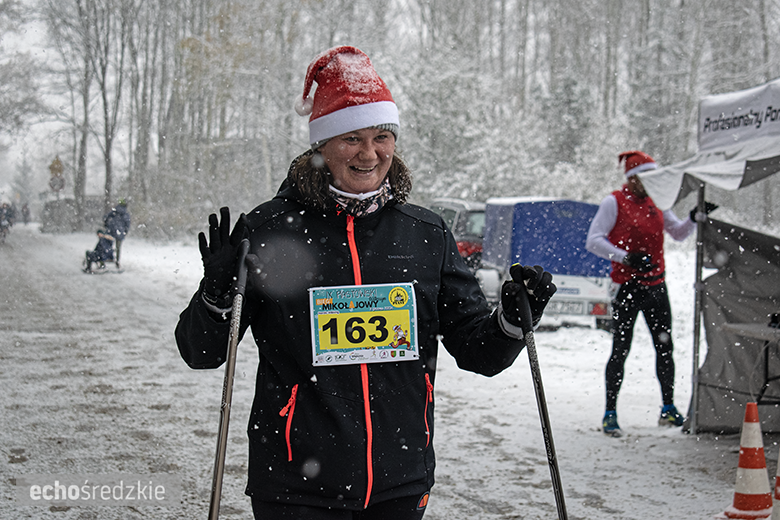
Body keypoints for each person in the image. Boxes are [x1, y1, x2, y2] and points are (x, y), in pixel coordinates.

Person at [175, 46, 557, 520]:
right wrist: (214, 297)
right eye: (351, 138)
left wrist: (511, 320)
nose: (369, 153)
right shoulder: (269, 231)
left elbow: (478, 352)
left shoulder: (425, 233)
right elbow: (203, 353)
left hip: (399, 480)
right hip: (296, 482)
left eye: (381, 136)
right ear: (321, 146)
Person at [585, 150, 717, 437]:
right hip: (628, 287)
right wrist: (625, 257)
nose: (651, 184)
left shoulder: (658, 202)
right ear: (633, 179)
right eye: (647, 178)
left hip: (656, 285)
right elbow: (593, 240)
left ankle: (668, 408)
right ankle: (610, 412)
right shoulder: (613, 202)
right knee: (621, 349)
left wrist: (693, 218)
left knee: (664, 347)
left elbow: (678, 233)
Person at [103, 199, 131, 269]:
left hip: (111, 230)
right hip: (120, 232)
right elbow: (127, 224)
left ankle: (106, 258)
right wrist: (125, 231)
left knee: (107, 244)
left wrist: (106, 224)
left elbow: (107, 217)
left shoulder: (115, 211)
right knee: (118, 247)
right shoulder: (126, 214)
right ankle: (117, 261)